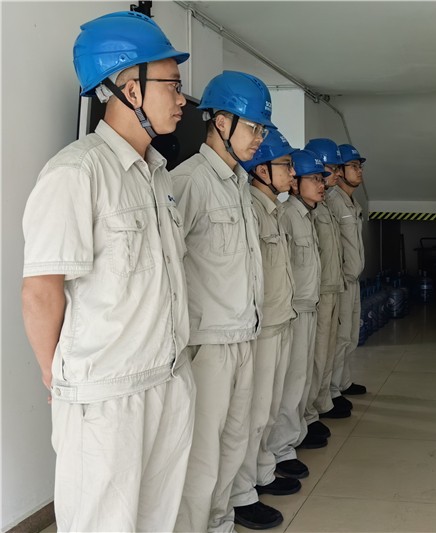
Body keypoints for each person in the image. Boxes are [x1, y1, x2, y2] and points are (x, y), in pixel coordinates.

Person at [21, 11, 194, 531]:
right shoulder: (77, 172)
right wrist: (57, 375)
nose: (182, 99)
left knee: (158, 519)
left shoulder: (157, 175)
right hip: (106, 397)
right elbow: (41, 290)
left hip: (166, 378)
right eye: (172, 84)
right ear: (130, 90)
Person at [172, 70, 274, 532]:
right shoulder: (187, 181)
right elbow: (167, 266)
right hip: (207, 343)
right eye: (253, 127)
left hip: (243, 334)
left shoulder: (238, 185)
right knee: (203, 452)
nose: (259, 139)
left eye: (262, 129)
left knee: (234, 441)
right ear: (220, 122)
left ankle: (220, 522)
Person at [230, 130, 300, 530]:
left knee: (268, 408)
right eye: (285, 165)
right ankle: (242, 493)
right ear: (260, 171)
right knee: (252, 414)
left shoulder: (272, 210)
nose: (292, 173)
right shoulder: (252, 210)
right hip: (258, 329)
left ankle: (261, 472)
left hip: (278, 319)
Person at [277, 150, 328, 467]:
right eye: (315, 179)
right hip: (293, 311)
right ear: (296, 184)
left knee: (303, 377)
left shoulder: (307, 216)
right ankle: (282, 448)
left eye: (322, 179)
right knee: (292, 381)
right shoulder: (287, 215)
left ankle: (296, 432)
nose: (322, 185)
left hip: (309, 307)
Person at [304, 138, 351, 421]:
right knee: (317, 353)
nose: (335, 174)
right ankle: (312, 409)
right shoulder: (307, 210)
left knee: (330, 348)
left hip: (333, 286)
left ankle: (323, 401)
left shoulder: (326, 205)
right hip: (319, 292)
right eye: (332, 168)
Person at [328, 144, 368, 398]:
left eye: (359, 166)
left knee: (351, 335)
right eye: (353, 166)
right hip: (340, 281)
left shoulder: (352, 203)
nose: (359, 170)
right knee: (340, 337)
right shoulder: (332, 200)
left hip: (353, 280)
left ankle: (343, 382)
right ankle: (332, 391)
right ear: (340, 171)